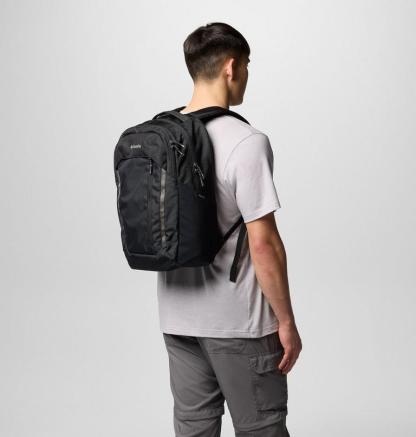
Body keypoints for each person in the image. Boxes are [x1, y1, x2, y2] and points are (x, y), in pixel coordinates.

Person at [157, 22, 302, 437]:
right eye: (248, 65)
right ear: (231, 67)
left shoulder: (163, 136)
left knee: (193, 430)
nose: (247, 74)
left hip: (178, 320)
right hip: (240, 324)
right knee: (263, 428)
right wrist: (286, 322)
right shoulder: (246, 141)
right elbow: (264, 243)